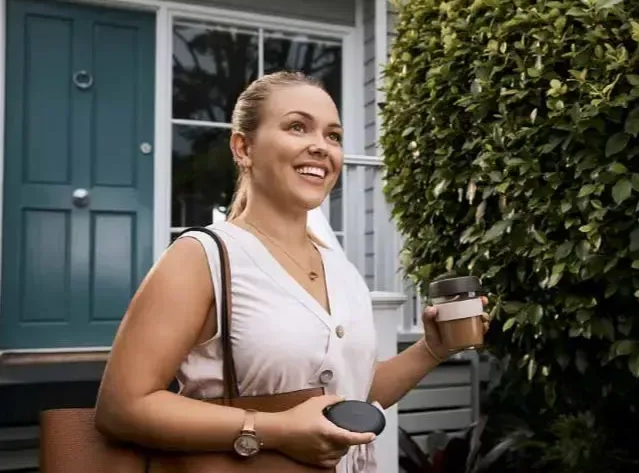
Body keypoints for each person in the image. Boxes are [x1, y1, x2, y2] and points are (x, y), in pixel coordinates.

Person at [94, 71, 489, 472]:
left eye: (333, 135)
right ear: (243, 147)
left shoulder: (343, 270)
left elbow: (352, 394)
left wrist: (431, 349)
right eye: (297, 127)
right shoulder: (201, 257)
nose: (321, 146)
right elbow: (122, 407)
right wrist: (277, 429)